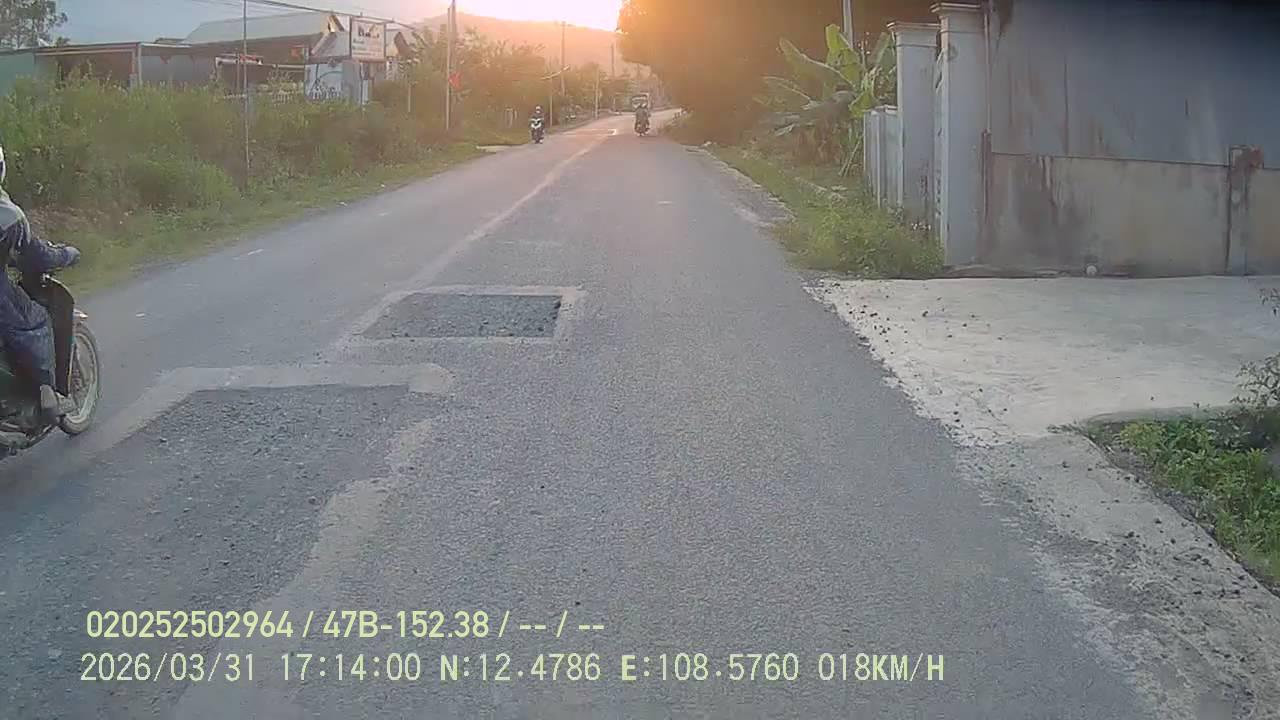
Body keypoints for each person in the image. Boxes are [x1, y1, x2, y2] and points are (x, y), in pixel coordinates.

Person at [0, 144, 82, 424]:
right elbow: (36, 256)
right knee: (36, 321)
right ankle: (47, 395)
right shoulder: (7, 213)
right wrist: (67, 254)